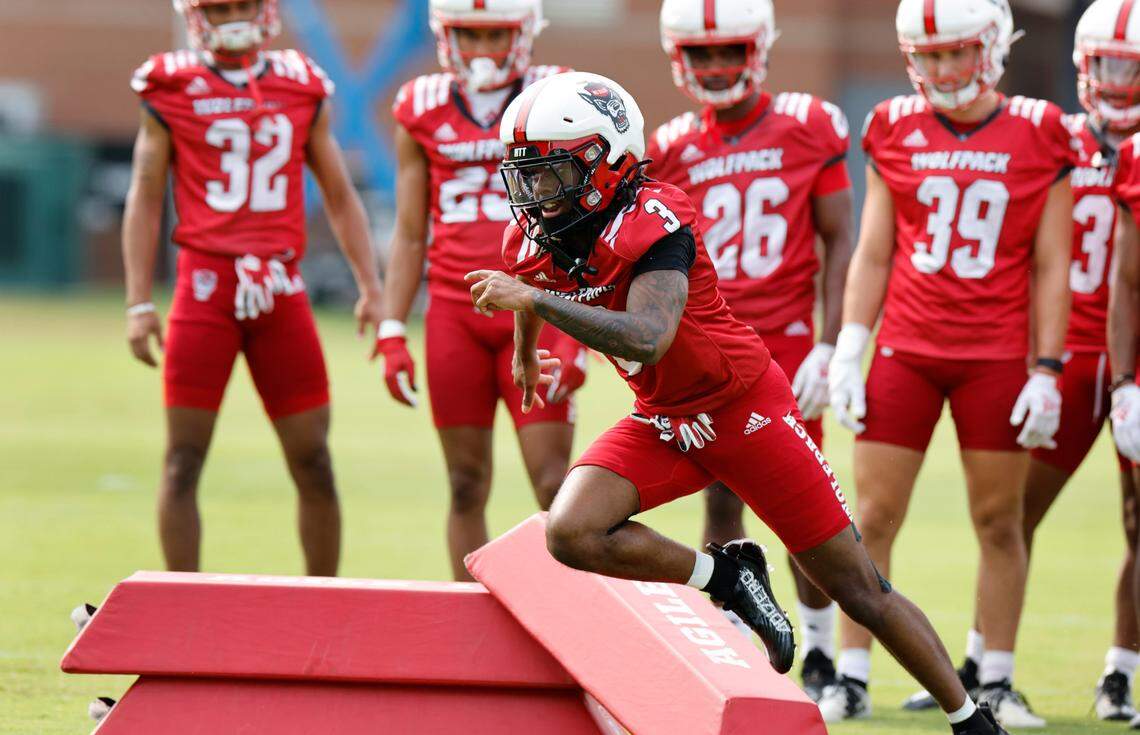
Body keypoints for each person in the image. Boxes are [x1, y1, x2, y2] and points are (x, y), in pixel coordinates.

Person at [466, 69, 1009, 735]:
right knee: (570, 530)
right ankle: (726, 574)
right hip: (664, 419)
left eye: (550, 174)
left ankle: (971, 719)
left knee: (859, 589)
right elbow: (524, 280)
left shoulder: (656, 221)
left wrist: (537, 305)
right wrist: (526, 350)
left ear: (607, 162)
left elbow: (650, 335)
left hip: (743, 410)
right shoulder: (537, 236)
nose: (535, 196)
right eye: (525, 176)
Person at [823, 0, 1077, 726]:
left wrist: (1048, 367)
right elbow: (875, 249)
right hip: (907, 346)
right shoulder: (893, 125)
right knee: (868, 516)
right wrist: (849, 344)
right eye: (927, 55)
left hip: (996, 353)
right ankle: (850, 673)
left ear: (991, 47)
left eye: (955, 52)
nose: (939, 68)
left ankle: (994, 678)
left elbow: (1052, 262)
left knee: (1000, 521)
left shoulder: (1039, 128)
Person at [906, 0, 1140, 723]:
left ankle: (1120, 672)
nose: (1119, 81)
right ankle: (982, 663)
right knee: (1012, 510)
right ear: (1083, 66)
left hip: (1129, 359)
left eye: (1132, 68)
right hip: (1064, 350)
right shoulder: (1052, 135)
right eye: (1108, 65)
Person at [122, 0, 383, 575]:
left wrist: (372, 284)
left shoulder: (299, 84)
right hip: (205, 286)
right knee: (183, 460)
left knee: (314, 460)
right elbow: (144, 195)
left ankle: (325, 606)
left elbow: (340, 194)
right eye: (219, 8)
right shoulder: (171, 85)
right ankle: (183, 606)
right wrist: (139, 301)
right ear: (197, 17)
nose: (232, 16)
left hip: (280, 287)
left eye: (242, 4)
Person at [647, 0, 854, 700]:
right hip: (710, 346)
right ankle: (736, 646)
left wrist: (833, 342)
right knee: (718, 497)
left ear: (759, 46)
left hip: (789, 343)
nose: (713, 65)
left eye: (727, 50)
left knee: (803, 510)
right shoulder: (670, 144)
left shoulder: (807, 122)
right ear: (679, 56)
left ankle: (823, 655)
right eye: (701, 54)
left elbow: (840, 240)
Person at [379, 0, 584, 580]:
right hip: (454, 310)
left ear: (524, 33)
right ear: (445, 37)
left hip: (539, 302)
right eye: (468, 36)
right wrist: (394, 327)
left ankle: (575, 621)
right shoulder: (419, 105)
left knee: (554, 484)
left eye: (496, 35)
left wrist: (580, 334)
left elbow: (586, 218)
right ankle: (474, 630)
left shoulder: (557, 95)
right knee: (465, 484)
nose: (481, 50)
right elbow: (411, 230)